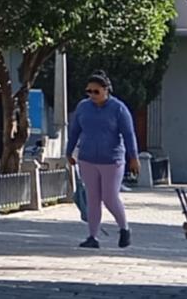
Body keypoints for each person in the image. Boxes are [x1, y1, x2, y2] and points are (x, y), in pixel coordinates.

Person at [66, 70, 140, 249]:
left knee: (109, 197)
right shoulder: (83, 107)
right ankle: (92, 236)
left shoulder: (118, 109)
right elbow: (75, 130)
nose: (92, 95)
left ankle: (124, 229)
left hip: (112, 159)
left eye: (96, 91)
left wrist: (133, 157)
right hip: (87, 158)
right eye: (89, 91)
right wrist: (69, 152)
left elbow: (129, 134)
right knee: (92, 198)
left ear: (106, 90)